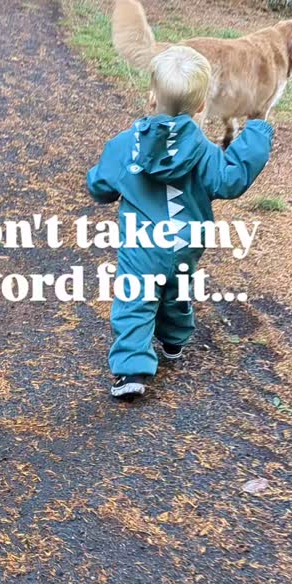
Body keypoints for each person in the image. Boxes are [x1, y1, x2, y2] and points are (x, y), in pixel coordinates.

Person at [86, 44, 274, 399]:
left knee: (136, 298)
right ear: (201, 106)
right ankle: (173, 341)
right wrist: (256, 136)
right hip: (187, 243)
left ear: (151, 97)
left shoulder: (127, 145)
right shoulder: (203, 150)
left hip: (142, 246)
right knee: (176, 289)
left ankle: (131, 371)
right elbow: (230, 179)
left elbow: (100, 186)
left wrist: (99, 182)